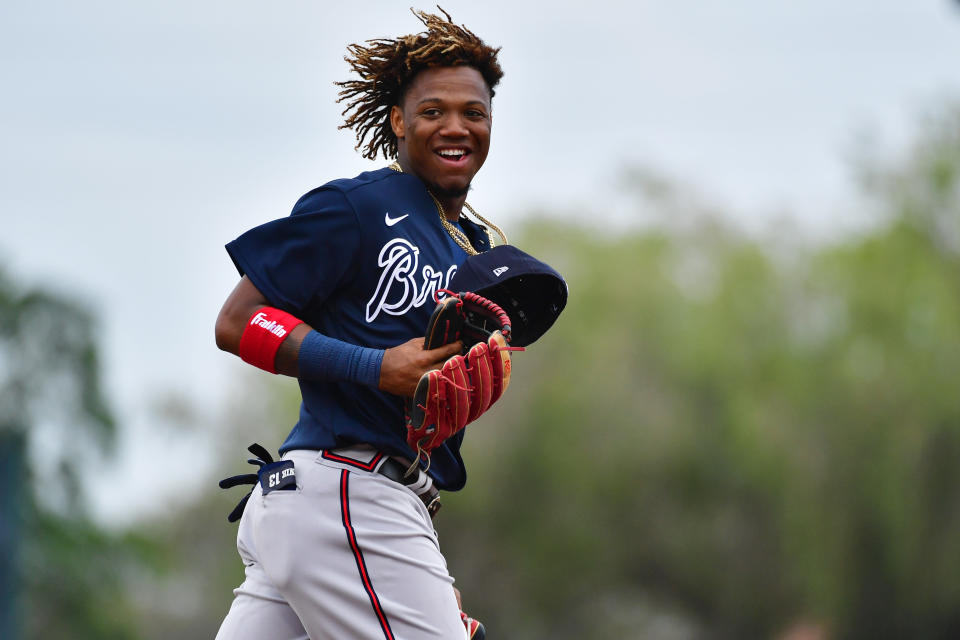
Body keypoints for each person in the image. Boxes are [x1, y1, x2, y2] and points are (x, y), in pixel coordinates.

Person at [213, 9, 505, 640]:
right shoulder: (360, 206)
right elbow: (239, 323)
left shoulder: (471, 247)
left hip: (348, 502)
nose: (455, 126)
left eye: (473, 112)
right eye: (433, 110)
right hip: (346, 494)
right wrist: (375, 367)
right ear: (398, 121)